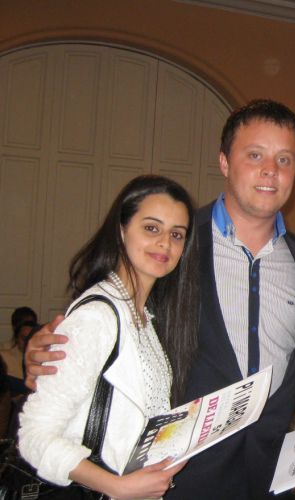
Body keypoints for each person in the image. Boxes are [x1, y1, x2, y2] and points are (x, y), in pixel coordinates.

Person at [25, 100, 295, 500]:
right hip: (178, 475)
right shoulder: (175, 242)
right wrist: (48, 350)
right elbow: (111, 318)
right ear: (224, 162)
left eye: (285, 159)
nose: (270, 170)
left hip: (268, 471)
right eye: (255, 155)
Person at [18, 175, 199, 498]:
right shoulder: (97, 317)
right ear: (121, 230)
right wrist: (117, 486)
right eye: (151, 228)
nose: (165, 243)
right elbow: (35, 435)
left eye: (176, 234)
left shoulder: (144, 317)